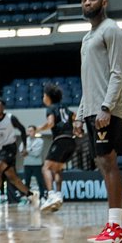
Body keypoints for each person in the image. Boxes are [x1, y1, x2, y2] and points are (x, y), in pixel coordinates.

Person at [75, 0, 122, 243]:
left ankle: (115, 227)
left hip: (107, 110)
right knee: (103, 163)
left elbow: (118, 72)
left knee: (109, 163)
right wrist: (80, 114)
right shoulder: (87, 38)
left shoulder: (112, 30)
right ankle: (120, 225)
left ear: (104, 2)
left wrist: (107, 107)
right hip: (92, 110)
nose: (87, 2)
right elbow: (88, 81)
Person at [0, 99, 37, 210]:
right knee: (13, 178)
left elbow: (22, 129)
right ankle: (30, 195)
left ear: (3, 107)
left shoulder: (10, 118)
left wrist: (24, 147)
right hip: (0, 150)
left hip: (10, 148)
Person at [39, 82, 75, 212]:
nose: (43, 98)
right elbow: (75, 118)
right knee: (58, 169)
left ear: (48, 97)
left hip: (60, 140)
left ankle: (51, 195)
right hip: (71, 141)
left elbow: (50, 123)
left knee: (46, 168)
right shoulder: (66, 108)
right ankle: (58, 195)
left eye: (44, 95)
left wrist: (39, 129)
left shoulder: (51, 108)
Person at [20, 126, 47, 199]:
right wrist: (31, 150)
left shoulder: (40, 141)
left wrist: (27, 151)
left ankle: (42, 196)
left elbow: (37, 153)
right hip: (27, 164)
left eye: (31, 131)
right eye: (28, 131)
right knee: (27, 182)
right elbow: (21, 151)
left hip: (37, 164)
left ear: (35, 131)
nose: (30, 132)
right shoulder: (24, 140)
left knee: (40, 181)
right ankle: (26, 196)